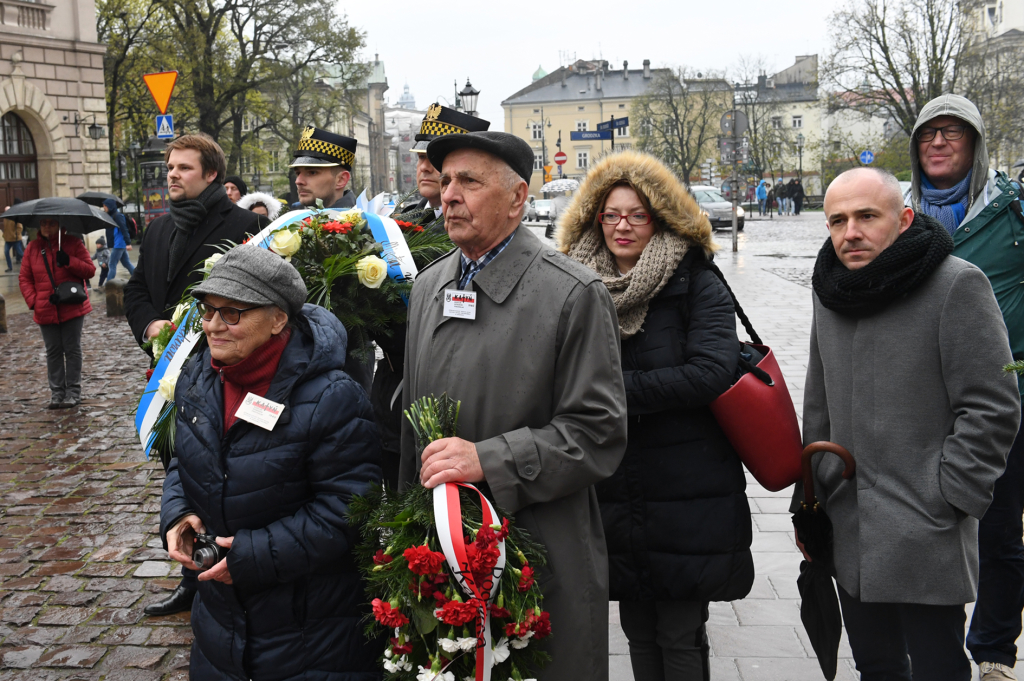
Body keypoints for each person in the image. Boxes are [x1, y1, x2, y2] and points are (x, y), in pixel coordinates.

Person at [399, 130, 628, 681]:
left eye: (469, 181)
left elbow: (597, 432)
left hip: (538, 556)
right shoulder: (429, 286)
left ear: (518, 197)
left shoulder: (573, 293)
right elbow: (412, 425)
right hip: (438, 556)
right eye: (446, 180)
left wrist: (490, 461)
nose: (449, 194)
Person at [795, 167, 1021, 680]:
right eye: (837, 220)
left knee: (938, 668)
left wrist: (952, 494)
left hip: (927, 526)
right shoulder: (829, 290)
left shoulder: (956, 283)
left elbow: (993, 404)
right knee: (876, 668)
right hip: (849, 522)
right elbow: (818, 404)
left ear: (904, 218)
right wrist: (808, 502)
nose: (849, 232)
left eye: (866, 216)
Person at [560, 151, 753, 679]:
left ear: (661, 216)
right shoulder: (577, 285)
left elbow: (711, 372)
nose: (622, 226)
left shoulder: (696, 279)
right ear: (593, 218)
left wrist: (610, 393)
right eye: (611, 214)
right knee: (637, 628)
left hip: (687, 484)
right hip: (613, 484)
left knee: (679, 630)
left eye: (637, 214)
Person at [161, 246, 383, 680]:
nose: (212, 326)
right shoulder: (199, 374)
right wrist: (178, 514)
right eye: (207, 311)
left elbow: (349, 509)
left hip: (309, 634)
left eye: (232, 314)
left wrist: (251, 555)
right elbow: (186, 461)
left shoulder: (331, 397)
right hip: (218, 629)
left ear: (278, 318)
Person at [125, 133, 268, 618]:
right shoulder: (160, 228)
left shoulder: (246, 225)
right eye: (169, 166)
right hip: (169, 373)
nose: (171, 174)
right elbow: (138, 289)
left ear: (211, 175)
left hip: (225, 372)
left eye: (183, 168)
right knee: (180, 472)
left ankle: (233, 565)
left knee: (227, 474)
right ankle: (191, 573)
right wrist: (151, 324)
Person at [907, 94, 1024, 681]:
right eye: (929, 134)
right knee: (930, 523)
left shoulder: (1009, 209)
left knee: (1000, 527)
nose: (939, 142)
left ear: (975, 143)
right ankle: (936, 643)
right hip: (922, 395)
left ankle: (995, 650)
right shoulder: (898, 214)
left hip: (1001, 393)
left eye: (953, 133)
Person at [372, 104, 489, 487]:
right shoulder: (403, 218)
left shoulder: (475, 234)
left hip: (447, 400)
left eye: (431, 157)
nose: (422, 166)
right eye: (419, 156)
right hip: (393, 389)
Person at [18, 217, 96, 409]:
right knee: (53, 351)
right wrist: (34, 302)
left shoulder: (73, 243)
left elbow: (89, 270)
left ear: (60, 225)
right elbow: (25, 278)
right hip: (45, 308)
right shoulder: (32, 248)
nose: (47, 227)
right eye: (44, 224)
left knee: (72, 349)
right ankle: (57, 393)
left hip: (72, 307)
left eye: (51, 223)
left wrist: (69, 261)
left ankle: (73, 392)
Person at [291, 126, 358, 209]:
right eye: (298, 173)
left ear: (341, 180)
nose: (298, 181)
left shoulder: (365, 221)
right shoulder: (289, 219)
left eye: (312, 172)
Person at [103, 198, 134, 281]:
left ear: (110, 206)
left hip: (119, 244)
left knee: (112, 264)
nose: (104, 208)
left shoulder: (118, 216)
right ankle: (138, 278)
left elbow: (124, 229)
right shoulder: (112, 216)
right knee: (126, 263)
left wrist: (128, 243)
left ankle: (108, 285)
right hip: (119, 244)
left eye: (105, 206)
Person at [3, 202, 24, 271]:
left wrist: (16, 234)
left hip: (15, 239)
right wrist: (4, 235)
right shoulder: (5, 218)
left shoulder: (15, 217)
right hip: (8, 239)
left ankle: (29, 265)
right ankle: (9, 267)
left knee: (20, 253)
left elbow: (20, 227)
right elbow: (5, 228)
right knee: (6, 252)